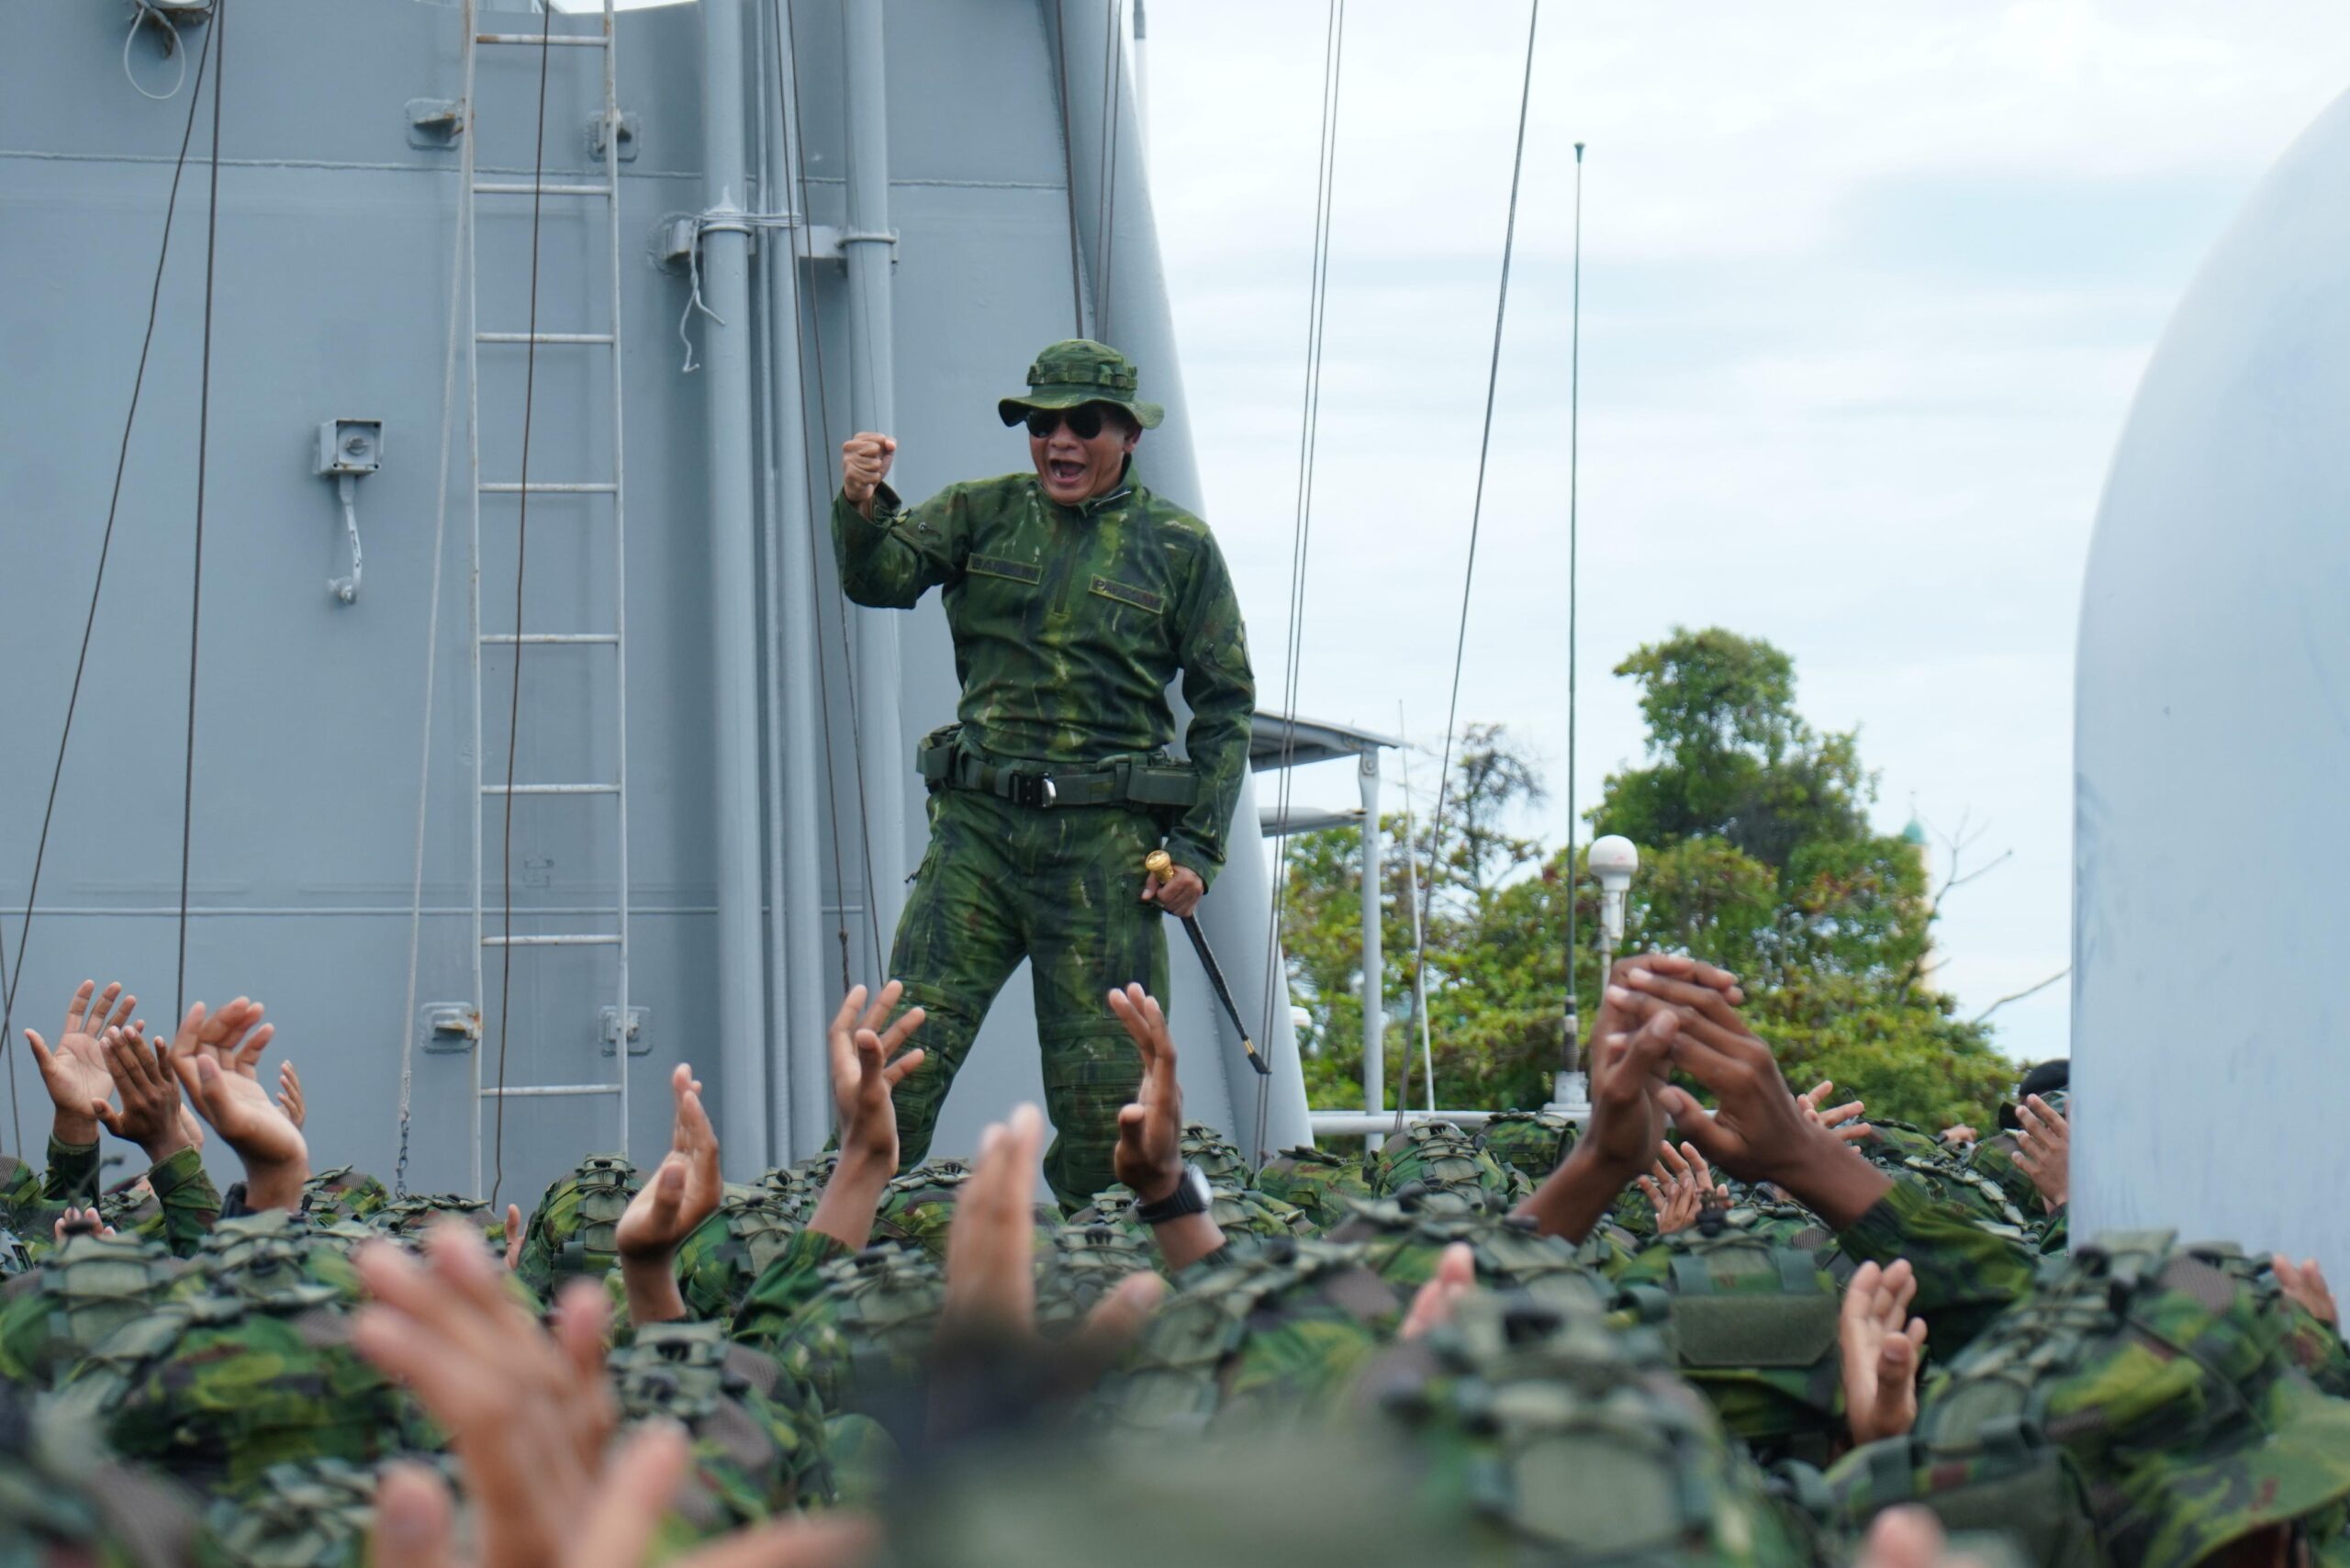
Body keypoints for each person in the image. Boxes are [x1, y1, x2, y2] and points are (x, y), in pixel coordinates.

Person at [834, 338, 1254, 1207]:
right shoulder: (977, 514)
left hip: (1107, 855)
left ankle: (1100, 1291)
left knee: (1109, 1108)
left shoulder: (1179, 549)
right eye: (1041, 423)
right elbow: (878, 580)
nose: (1059, 441)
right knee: (901, 1058)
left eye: (1083, 424)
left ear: (1128, 435)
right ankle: (830, 1262)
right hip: (979, 842)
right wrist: (860, 501)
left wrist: (1198, 852)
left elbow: (1224, 706)